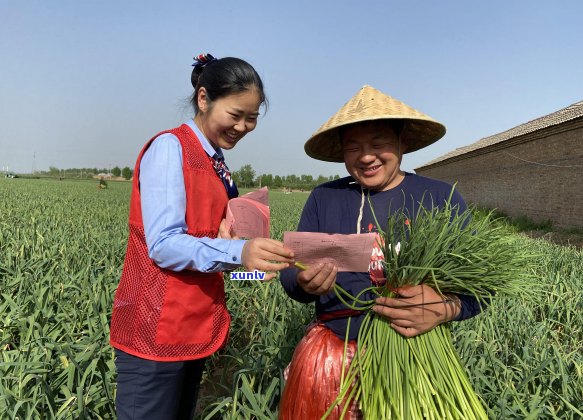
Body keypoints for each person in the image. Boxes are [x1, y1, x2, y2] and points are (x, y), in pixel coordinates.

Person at [278, 85, 484, 419]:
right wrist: (303, 282)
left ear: (403, 142)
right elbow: (289, 275)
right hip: (332, 355)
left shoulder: (439, 197)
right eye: (353, 147)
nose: (366, 156)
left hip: (414, 358)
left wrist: (445, 309)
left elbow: (480, 288)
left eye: (378, 143)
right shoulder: (324, 198)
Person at [109, 53, 295, 420]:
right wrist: (241, 251)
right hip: (153, 330)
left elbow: (213, 252)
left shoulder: (216, 163)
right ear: (204, 99)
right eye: (236, 115)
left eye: (252, 118)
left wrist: (256, 267)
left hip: (190, 328)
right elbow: (163, 245)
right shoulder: (170, 148)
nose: (243, 126)